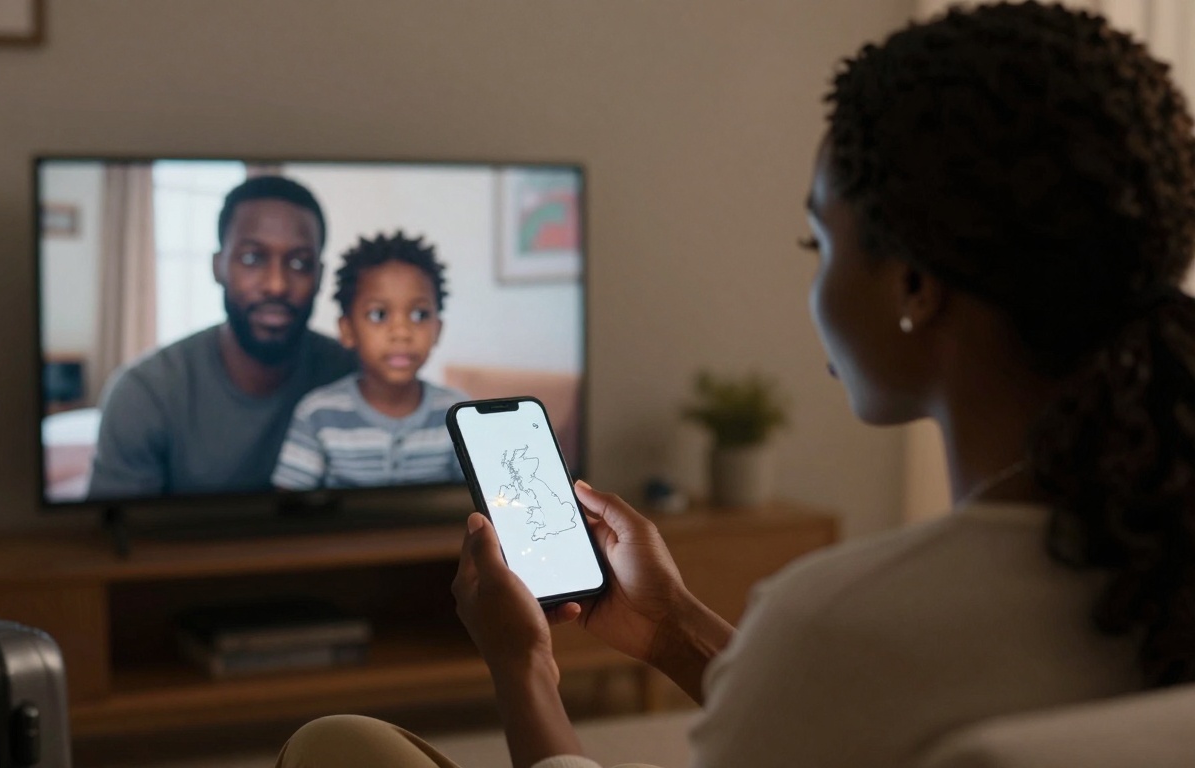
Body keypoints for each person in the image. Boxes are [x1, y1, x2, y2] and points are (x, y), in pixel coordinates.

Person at [275, 2, 1195, 767]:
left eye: (819, 243)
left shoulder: (840, 625)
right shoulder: (1153, 567)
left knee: (340, 746)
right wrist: (673, 626)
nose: (813, 280)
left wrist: (525, 670)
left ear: (915, 286)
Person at [88, 176, 357, 499]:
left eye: (300, 263)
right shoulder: (145, 394)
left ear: (320, 278)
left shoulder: (355, 376)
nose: (276, 285)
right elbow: (115, 536)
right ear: (218, 266)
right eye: (252, 258)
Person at [271, 231, 466, 490]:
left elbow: (476, 508)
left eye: (419, 314)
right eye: (379, 314)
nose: (401, 332)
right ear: (348, 330)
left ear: (438, 329)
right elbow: (288, 510)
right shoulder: (318, 414)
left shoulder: (457, 413)